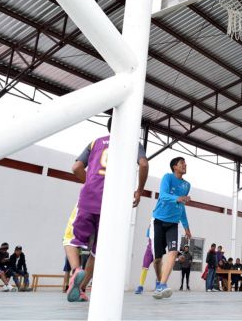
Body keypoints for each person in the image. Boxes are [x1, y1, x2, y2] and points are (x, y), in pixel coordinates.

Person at [63, 117, 148, 302]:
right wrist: (139, 191)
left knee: (70, 239)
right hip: (113, 202)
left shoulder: (95, 142)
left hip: (89, 197)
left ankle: (76, 269)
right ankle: (82, 287)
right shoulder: (133, 144)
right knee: (98, 249)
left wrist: (91, 183)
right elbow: (143, 164)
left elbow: (76, 167)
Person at [152, 157, 192, 299]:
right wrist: (177, 198)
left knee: (173, 252)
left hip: (173, 224)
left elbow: (181, 207)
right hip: (158, 221)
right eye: (182, 163)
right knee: (157, 259)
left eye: (185, 163)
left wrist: (186, 226)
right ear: (174, 166)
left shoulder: (186, 185)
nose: (185, 165)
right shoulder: (167, 177)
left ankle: (162, 285)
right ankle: (159, 283)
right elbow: (163, 195)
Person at [134, 230, 155, 294]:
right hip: (149, 250)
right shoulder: (151, 226)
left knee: (158, 267)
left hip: (158, 249)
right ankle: (140, 286)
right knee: (144, 267)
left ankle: (159, 285)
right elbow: (148, 234)